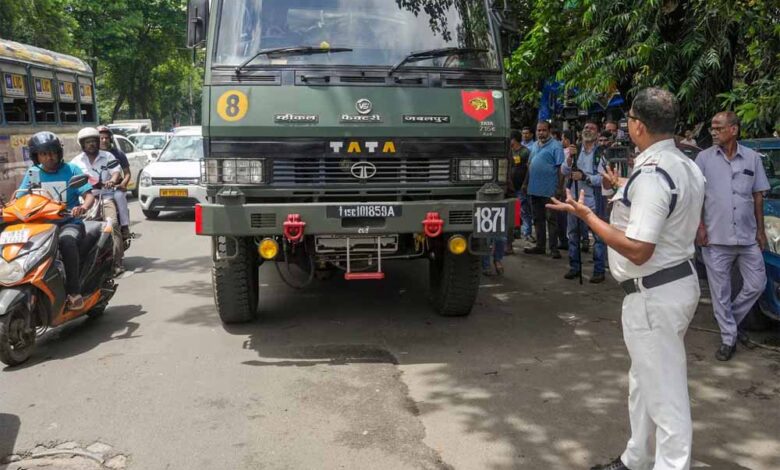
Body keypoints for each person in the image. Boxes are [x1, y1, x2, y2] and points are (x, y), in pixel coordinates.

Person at [548, 87, 705, 470]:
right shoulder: (684, 165)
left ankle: (670, 465)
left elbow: (638, 249)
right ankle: (636, 457)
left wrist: (588, 218)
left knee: (665, 393)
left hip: (654, 294)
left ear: (637, 126)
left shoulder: (653, 174)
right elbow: (673, 213)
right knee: (644, 382)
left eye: (630, 118)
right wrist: (622, 187)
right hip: (671, 285)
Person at [695, 111, 769, 361]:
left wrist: (760, 230)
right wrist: (700, 227)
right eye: (712, 128)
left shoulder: (752, 158)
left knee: (758, 283)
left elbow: (758, 195)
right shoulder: (703, 158)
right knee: (720, 292)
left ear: (734, 129)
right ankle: (728, 339)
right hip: (716, 237)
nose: (713, 132)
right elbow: (696, 197)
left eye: (718, 127)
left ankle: (731, 325)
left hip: (747, 237)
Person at [15, 132, 96, 309]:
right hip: (41, 225)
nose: (49, 157)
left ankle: (74, 292)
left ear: (59, 153)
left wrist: (82, 208)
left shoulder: (71, 170)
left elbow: (89, 195)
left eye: (52, 152)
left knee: (66, 241)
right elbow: (20, 198)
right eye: (44, 154)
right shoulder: (33, 173)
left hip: (69, 222)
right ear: (36, 156)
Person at [71, 127, 124, 275]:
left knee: (112, 224)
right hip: (85, 200)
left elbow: (116, 172)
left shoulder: (107, 156)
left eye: (94, 141)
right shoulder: (75, 162)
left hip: (105, 196)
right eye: (88, 142)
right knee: (76, 228)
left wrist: (112, 181)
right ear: (82, 144)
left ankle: (117, 262)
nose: (92, 144)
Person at [560, 121, 607, 283]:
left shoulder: (601, 153)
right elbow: (564, 171)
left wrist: (585, 177)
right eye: (586, 127)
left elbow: (603, 178)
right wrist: (568, 160)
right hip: (574, 199)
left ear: (598, 133)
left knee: (598, 236)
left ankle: (599, 270)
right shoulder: (574, 150)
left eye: (592, 128)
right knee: (573, 234)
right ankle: (574, 267)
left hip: (593, 201)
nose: (588, 129)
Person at [523, 121, 564, 259]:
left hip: (550, 190)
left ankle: (553, 249)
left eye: (543, 130)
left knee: (551, 220)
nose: (541, 133)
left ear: (549, 131)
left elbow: (560, 169)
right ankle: (540, 246)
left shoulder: (556, 146)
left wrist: (559, 188)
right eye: (538, 130)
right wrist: (525, 184)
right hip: (534, 189)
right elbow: (530, 165)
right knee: (537, 219)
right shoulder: (534, 145)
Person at [97, 126, 131, 243]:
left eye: (106, 138)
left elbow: (127, 173)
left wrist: (122, 184)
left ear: (110, 139)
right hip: (96, 190)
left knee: (119, 196)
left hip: (114, 188)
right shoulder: (90, 155)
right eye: (101, 138)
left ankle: (125, 226)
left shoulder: (118, 154)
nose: (104, 140)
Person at [509, 130, 533, 242]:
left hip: (522, 187)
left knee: (524, 210)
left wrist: (525, 184)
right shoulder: (509, 152)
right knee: (515, 210)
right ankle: (516, 231)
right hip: (511, 187)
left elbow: (529, 169)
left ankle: (527, 232)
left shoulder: (525, 152)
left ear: (514, 139)